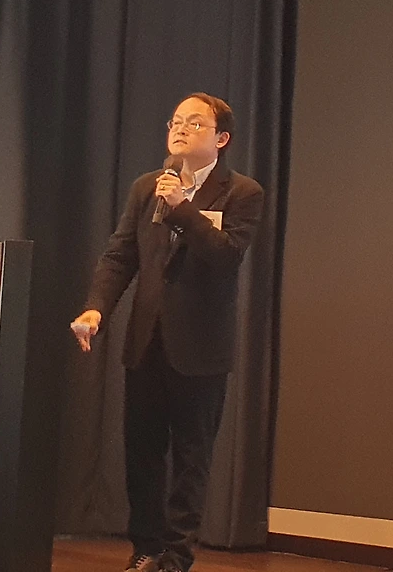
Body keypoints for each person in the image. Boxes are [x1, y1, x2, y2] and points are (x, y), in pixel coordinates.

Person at [71, 93, 264, 572]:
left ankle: (177, 556)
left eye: (194, 123)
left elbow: (224, 257)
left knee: (191, 460)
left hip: (200, 349)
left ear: (221, 138)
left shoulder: (242, 193)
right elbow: (121, 255)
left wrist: (181, 207)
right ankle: (147, 549)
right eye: (176, 121)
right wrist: (96, 309)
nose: (180, 129)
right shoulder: (147, 187)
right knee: (142, 455)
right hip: (146, 343)